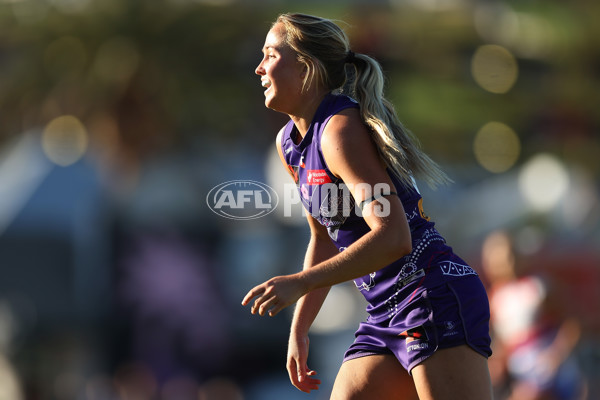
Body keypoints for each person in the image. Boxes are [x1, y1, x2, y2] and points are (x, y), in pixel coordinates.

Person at [241, 13, 493, 400]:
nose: (258, 68)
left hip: (431, 295)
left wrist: (301, 282)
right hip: (384, 312)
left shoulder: (339, 130)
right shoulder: (289, 143)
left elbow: (394, 237)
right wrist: (300, 328)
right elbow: (324, 237)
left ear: (306, 68)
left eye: (271, 55)